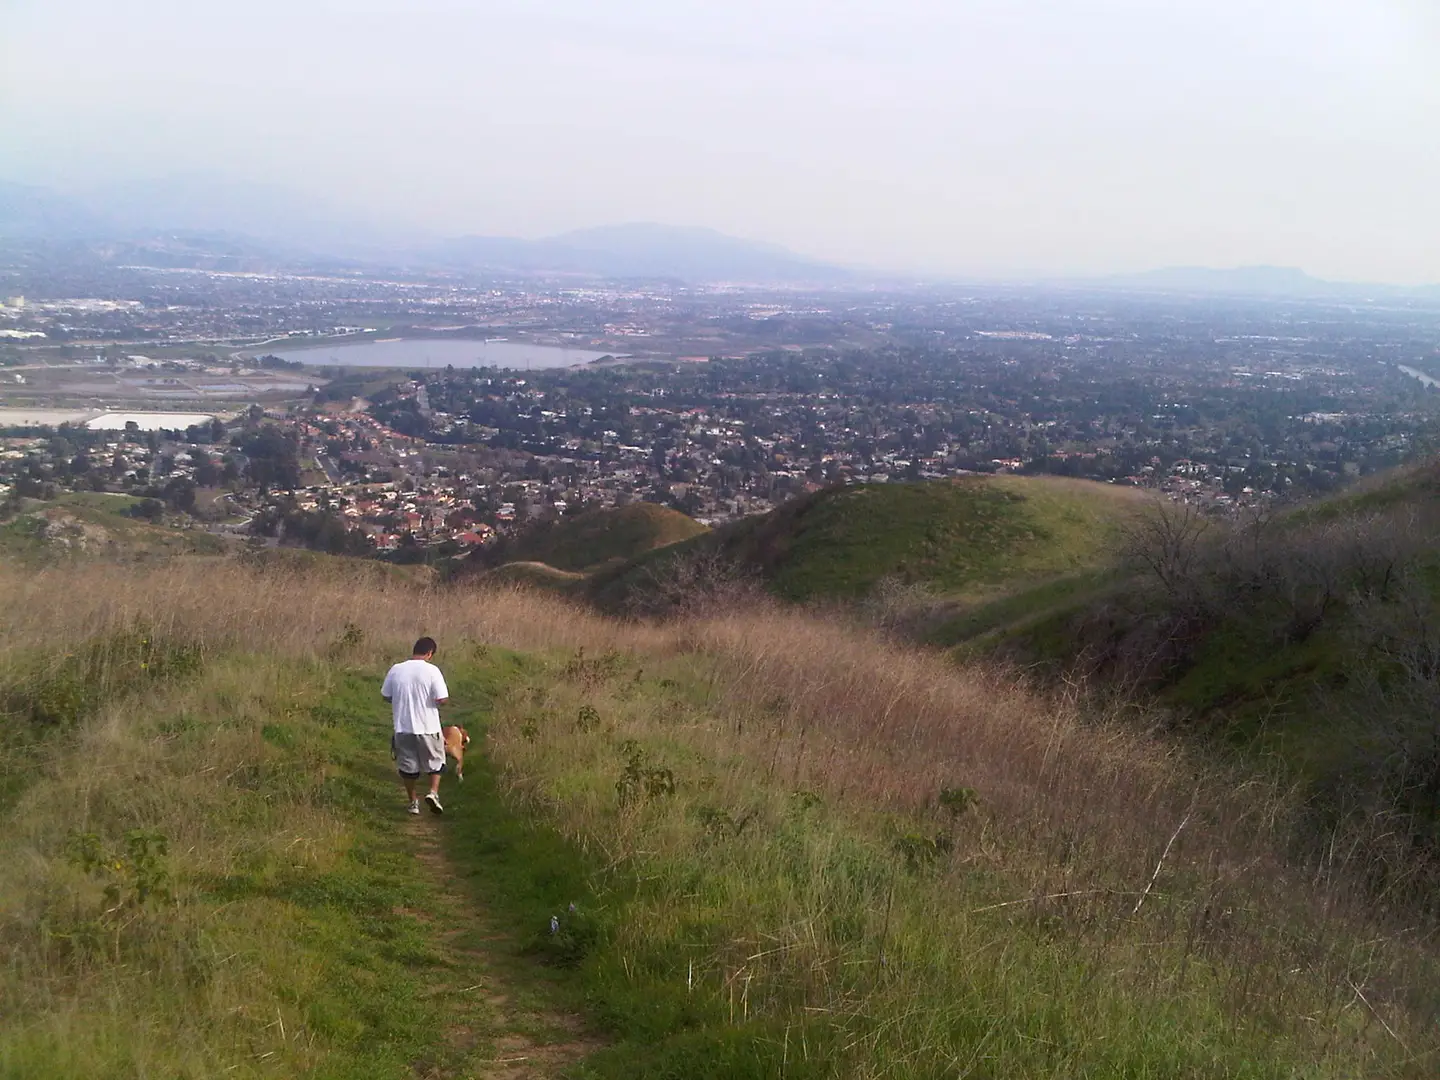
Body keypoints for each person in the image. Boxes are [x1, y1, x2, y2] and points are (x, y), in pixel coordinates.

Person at [382, 636, 450, 815]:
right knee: (436, 763)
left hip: (403, 728)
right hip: (428, 727)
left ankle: (413, 802)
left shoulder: (396, 669)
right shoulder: (432, 671)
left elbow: (386, 695)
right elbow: (442, 699)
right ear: (429, 653)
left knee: (408, 768)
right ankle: (433, 793)